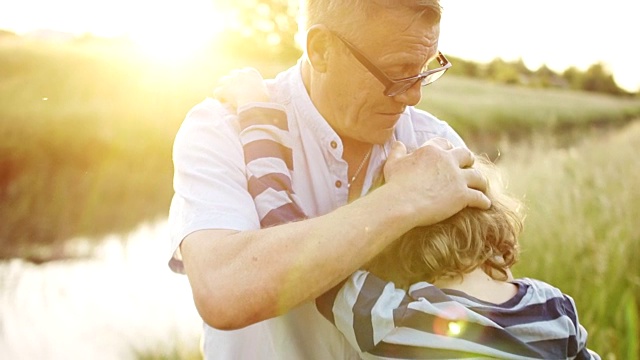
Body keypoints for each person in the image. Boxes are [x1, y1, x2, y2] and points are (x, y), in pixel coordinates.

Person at [168, 1, 491, 358]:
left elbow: (477, 315)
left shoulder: (438, 147)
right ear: (321, 50)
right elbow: (223, 292)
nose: (414, 95)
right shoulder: (221, 129)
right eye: (397, 71)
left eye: (425, 68)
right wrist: (404, 199)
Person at [216, 72, 600, 360]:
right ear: (495, 225)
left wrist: (255, 109)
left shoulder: (398, 319)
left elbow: (286, 229)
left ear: (395, 248)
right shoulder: (554, 308)